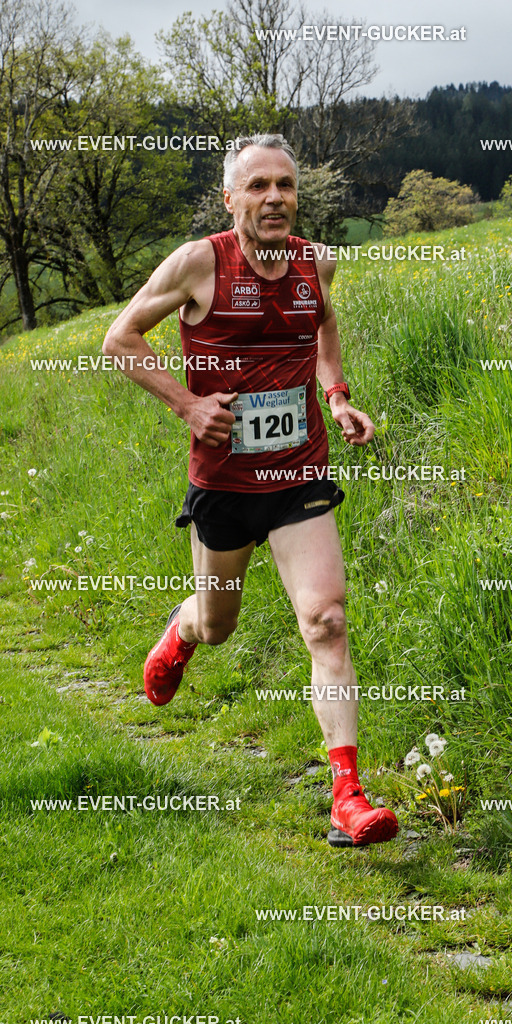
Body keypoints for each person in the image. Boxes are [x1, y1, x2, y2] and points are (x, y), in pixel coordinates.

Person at [102, 133, 398, 848]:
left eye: (286, 186)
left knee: (326, 620)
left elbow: (323, 324)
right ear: (230, 197)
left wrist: (336, 394)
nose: (274, 198)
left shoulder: (315, 261)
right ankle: (183, 631)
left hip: (299, 472)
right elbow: (120, 338)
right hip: (226, 483)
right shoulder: (199, 263)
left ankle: (347, 796)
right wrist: (188, 406)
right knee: (219, 624)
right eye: (258, 186)